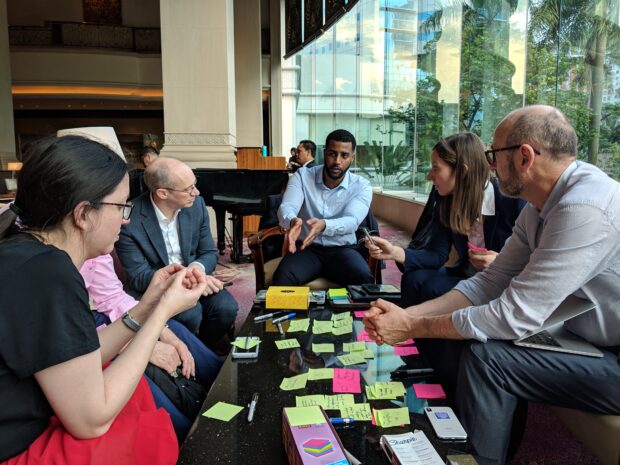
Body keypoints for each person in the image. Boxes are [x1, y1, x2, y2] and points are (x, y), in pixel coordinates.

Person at [363, 105, 620, 465]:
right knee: (479, 338)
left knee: (489, 358)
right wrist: (408, 315)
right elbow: (491, 281)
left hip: (611, 359)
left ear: (525, 156)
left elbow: (514, 315)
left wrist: (413, 325)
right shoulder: (542, 204)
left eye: (493, 155)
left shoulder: (584, 207)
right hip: (582, 340)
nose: (491, 166)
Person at [0, 135, 207, 464]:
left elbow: (82, 355)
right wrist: (163, 313)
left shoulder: (28, 253)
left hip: (32, 411)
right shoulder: (49, 273)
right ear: (83, 214)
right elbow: (91, 421)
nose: (126, 219)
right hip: (17, 447)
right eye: (122, 206)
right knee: (146, 430)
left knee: (133, 387)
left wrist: (149, 304)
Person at [365, 132, 524, 306]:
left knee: (433, 288)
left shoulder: (511, 203)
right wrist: (394, 252)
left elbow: (536, 259)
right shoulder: (447, 201)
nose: (429, 176)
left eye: (435, 167)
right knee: (413, 279)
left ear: (462, 171)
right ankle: (405, 328)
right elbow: (436, 254)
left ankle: (417, 326)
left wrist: (499, 262)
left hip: (503, 284)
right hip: (467, 274)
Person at [81, 253, 222, 441]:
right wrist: (145, 344)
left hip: (98, 319)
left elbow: (112, 297)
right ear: (82, 221)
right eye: (121, 219)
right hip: (84, 337)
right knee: (138, 378)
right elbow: (67, 342)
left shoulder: (92, 249)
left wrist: (164, 331)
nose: (126, 221)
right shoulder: (46, 271)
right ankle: (189, 439)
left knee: (176, 330)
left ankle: (225, 385)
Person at [115, 157, 239, 352]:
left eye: (195, 185)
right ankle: (184, 357)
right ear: (163, 193)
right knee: (191, 313)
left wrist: (196, 270)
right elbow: (139, 277)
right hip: (157, 287)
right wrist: (183, 279)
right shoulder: (130, 220)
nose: (196, 193)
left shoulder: (196, 205)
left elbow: (208, 252)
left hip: (196, 279)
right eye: (188, 189)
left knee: (226, 308)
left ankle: (203, 351)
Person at [273, 129, 374, 286]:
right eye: (332, 154)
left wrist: (324, 225)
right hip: (307, 249)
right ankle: (287, 312)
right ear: (324, 153)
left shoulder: (362, 186)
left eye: (344, 155)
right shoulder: (302, 176)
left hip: (343, 250)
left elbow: (352, 220)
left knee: (364, 279)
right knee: (282, 278)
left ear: (352, 158)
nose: (337, 161)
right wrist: (293, 221)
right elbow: (288, 206)